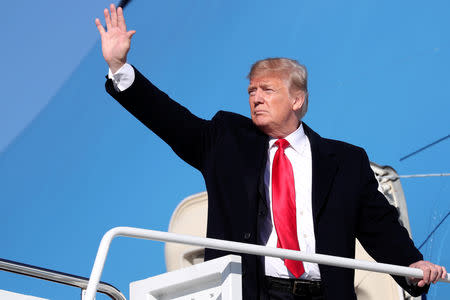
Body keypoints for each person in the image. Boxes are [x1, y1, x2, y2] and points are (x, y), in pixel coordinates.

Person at [95, 4, 447, 299]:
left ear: (297, 99)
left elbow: (378, 225)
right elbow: (169, 119)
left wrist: (411, 266)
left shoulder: (345, 162)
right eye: (251, 91)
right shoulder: (226, 140)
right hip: (255, 291)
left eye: (267, 89)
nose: (256, 97)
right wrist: (119, 68)